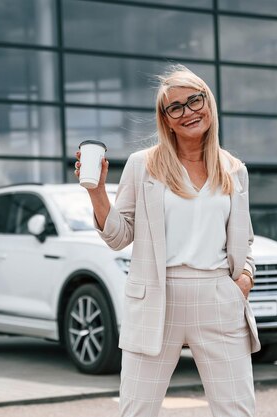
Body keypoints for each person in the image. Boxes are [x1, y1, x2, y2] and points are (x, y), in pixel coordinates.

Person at [74, 64, 261, 417]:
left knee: (238, 411)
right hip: (157, 297)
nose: (189, 112)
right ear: (167, 119)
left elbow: (244, 240)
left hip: (218, 296)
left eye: (195, 100)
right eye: (176, 107)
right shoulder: (142, 165)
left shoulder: (234, 169)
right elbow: (118, 237)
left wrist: (244, 280)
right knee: (137, 410)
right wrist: (98, 191)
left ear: (209, 103)